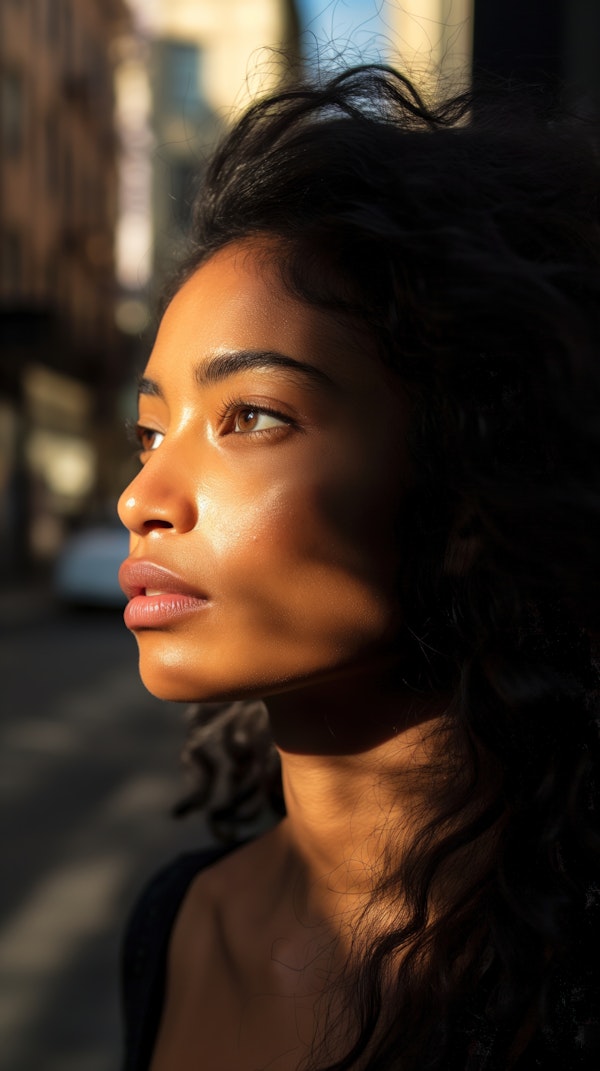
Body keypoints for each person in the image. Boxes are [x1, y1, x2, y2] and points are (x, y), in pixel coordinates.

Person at [117, 65, 600, 1070]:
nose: (141, 499)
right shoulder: (175, 929)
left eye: (250, 416)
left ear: (473, 479)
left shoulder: (567, 986)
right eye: (149, 432)